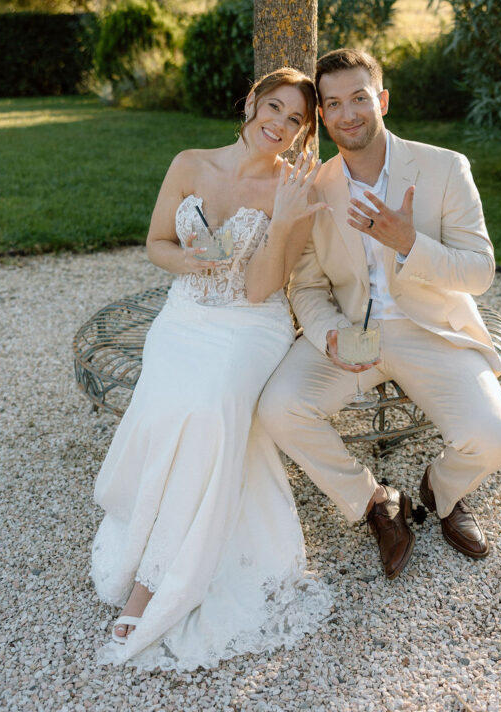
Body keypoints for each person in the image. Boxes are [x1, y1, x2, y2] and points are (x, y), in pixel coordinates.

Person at [90, 67, 332, 671]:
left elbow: (257, 291)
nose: (278, 124)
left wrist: (281, 221)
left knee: (209, 406)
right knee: (172, 405)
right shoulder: (190, 163)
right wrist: (192, 262)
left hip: (250, 327)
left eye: (294, 119)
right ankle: (148, 538)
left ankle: (156, 583)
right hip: (185, 316)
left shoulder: (294, 191)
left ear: (302, 133)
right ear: (251, 102)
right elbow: (155, 244)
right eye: (272, 107)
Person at [258, 49, 501, 580]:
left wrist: (409, 243)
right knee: (280, 408)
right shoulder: (315, 187)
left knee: (493, 439)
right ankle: (376, 502)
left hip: (431, 329)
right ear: (323, 118)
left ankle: (441, 492)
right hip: (354, 332)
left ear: (383, 100)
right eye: (334, 104)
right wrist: (329, 335)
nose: (348, 113)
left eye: (359, 98)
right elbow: (305, 285)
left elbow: (479, 271)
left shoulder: (446, 168)